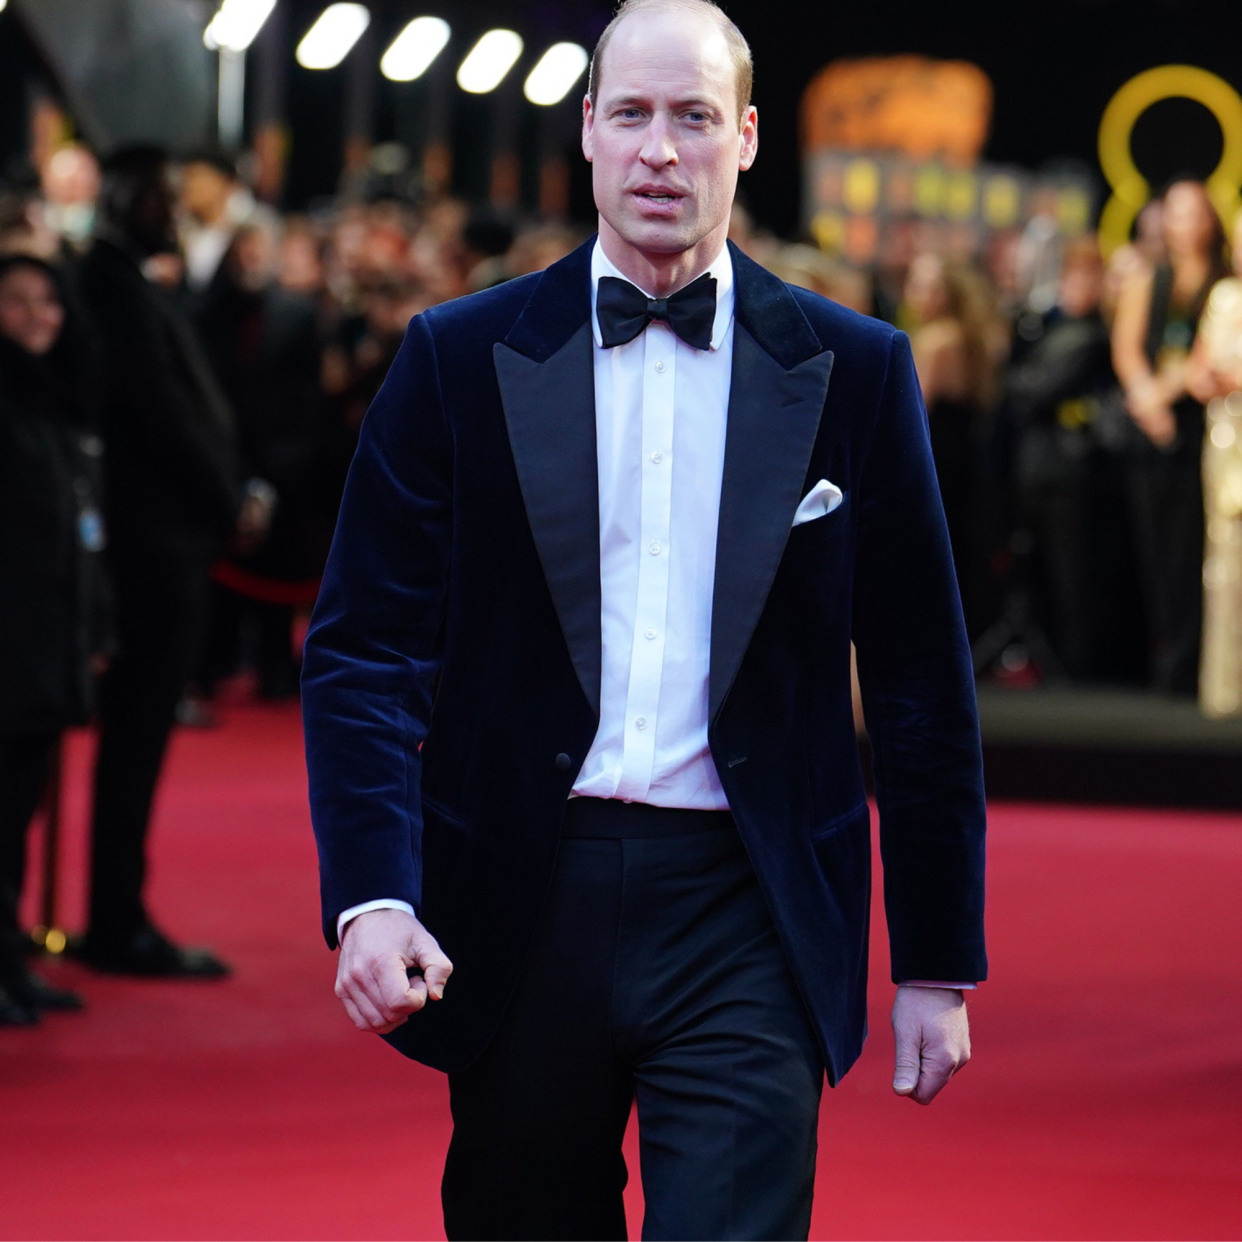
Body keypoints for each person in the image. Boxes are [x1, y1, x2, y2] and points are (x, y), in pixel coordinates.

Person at [303, 3, 987, 1239]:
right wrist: (371, 892)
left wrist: (937, 958)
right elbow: (363, 651)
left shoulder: (856, 367)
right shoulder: (457, 359)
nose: (661, 150)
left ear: (747, 138)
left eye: (693, 118)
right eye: (632, 115)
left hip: (751, 905)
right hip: (518, 893)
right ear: (588, 133)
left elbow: (921, 679)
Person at [71, 146, 258, 977]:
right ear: (117, 194)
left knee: (138, 741)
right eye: (153, 190)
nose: (169, 203)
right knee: (135, 739)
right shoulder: (109, 283)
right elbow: (162, 415)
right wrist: (229, 502)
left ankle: (118, 911)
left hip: (166, 541)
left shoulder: (131, 278)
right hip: (154, 547)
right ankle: (117, 921)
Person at [0, 254, 106, 1024]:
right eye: (16, 301)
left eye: (48, 300)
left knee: (15, 816)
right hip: (11, 646)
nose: (37, 315)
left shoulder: (60, 401)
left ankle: (9, 960)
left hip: (42, 646)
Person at [1110, 179, 1228, 695]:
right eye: (1176, 214)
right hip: (1149, 431)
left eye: (1195, 214)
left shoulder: (1224, 281)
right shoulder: (1147, 278)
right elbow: (1127, 347)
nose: (1186, 225)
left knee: (1192, 553)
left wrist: (1160, 392)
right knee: (1154, 550)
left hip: (1203, 428)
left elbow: (1210, 352)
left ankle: (1189, 670)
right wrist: (1145, 397)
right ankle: (1161, 662)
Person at [1188, 210, 1242, 717]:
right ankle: (1226, 692)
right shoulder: (1224, 298)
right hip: (1226, 440)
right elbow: (1199, 370)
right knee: (1224, 567)